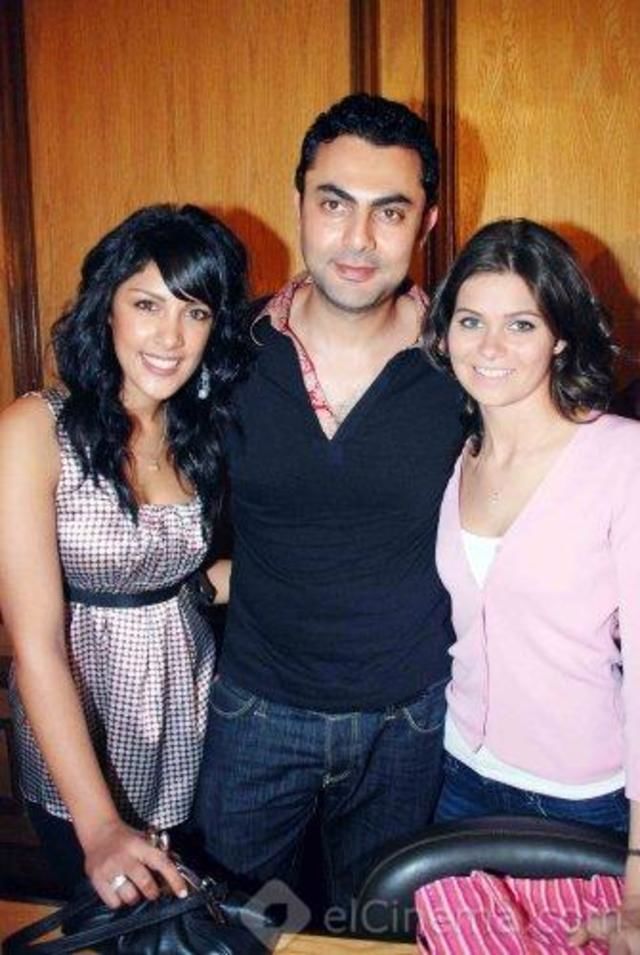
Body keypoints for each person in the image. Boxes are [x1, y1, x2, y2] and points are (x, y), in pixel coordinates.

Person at [193, 93, 464, 913]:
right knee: (235, 930)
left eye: (391, 211)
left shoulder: (468, 364)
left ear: (427, 223)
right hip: (253, 709)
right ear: (301, 202)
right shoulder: (223, 351)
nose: (358, 238)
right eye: (335, 203)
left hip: (410, 721)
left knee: (378, 930)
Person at [0, 203, 248, 906]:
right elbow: (37, 645)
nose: (171, 336)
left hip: (193, 723)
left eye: (195, 312)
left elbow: (184, 578)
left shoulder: (200, 435)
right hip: (83, 738)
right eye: (147, 304)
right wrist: (100, 824)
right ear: (105, 307)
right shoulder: (34, 429)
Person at [427, 218, 640, 951]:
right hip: (460, 777)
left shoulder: (622, 460)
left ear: (560, 337)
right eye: (471, 321)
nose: (490, 347)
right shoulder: (459, 455)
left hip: (583, 804)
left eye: (521, 323)